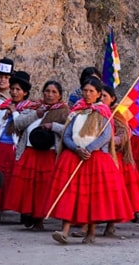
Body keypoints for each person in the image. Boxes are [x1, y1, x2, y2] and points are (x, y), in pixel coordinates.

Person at [47, 78, 134, 244]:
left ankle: (91, 232)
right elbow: (67, 133)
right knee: (70, 193)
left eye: (91, 91)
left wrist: (89, 149)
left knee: (91, 197)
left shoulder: (102, 112)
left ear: (99, 94)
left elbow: (106, 135)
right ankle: (64, 230)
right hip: (74, 157)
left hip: (95, 158)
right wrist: (75, 148)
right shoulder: (77, 111)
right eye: (85, 91)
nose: (87, 94)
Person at [2, 80, 69, 231]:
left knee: (41, 189)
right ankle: (28, 214)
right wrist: (36, 114)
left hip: (48, 155)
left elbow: (68, 130)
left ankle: (39, 220)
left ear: (59, 96)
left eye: (54, 92)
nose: (50, 95)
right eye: (47, 91)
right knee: (27, 188)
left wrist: (53, 126)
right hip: (29, 152)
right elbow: (19, 123)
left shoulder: (64, 112)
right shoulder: (33, 107)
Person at [0, 71, 40, 220]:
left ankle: (19, 210)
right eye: (13, 89)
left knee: (14, 181)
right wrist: (5, 116)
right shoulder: (5, 107)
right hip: (0, 148)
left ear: (25, 93)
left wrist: (15, 113)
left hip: (16, 149)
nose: (14, 92)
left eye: (18, 90)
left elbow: (22, 125)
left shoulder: (30, 109)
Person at [98, 85, 139, 237]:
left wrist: (107, 140)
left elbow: (125, 134)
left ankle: (111, 224)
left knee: (114, 193)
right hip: (97, 155)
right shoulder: (94, 112)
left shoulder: (117, 114)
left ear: (112, 98)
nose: (101, 99)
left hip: (115, 157)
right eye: (99, 96)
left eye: (104, 96)